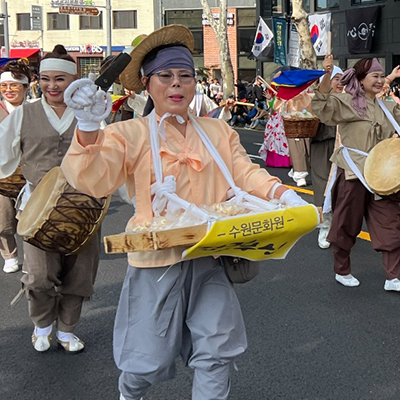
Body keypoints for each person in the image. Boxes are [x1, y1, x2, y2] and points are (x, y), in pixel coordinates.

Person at [60, 26, 308, 398]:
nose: (176, 85)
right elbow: (92, 178)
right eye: (165, 76)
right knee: (147, 360)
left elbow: (245, 172)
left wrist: (282, 194)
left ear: (195, 83)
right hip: (156, 261)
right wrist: (88, 127)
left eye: (185, 76)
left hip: (210, 256)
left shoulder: (218, 132)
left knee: (216, 351)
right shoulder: (129, 133)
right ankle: (130, 392)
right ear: (147, 84)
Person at [0, 46, 101, 353]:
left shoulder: (89, 114)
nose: (52, 86)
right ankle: (42, 325)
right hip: (37, 208)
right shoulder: (24, 114)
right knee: (39, 274)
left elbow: (109, 157)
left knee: (80, 272)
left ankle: (68, 329)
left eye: (60, 79)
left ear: (74, 80)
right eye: (45, 79)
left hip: (83, 205)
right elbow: (3, 153)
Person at [313, 55, 400, 290]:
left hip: (383, 176)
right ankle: (342, 270)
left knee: (390, 222)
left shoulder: (387, 105)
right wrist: (326, 74)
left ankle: (393, 278)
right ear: (361, 79)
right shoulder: (346, 102)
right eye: (375, 76)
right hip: (354, 172)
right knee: (345, 224)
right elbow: (321, 106)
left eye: (382, 76)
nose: (380, 80)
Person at [0, 60, 33, 273]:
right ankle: (9, 255)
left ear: (26, 87)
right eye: (4, 86)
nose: (9, 90)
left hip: (30, 173)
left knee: (30, 219)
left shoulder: (35, 110)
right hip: (1, 174)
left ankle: (33, 258)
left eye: (15, 85)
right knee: (2, 221)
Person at [313, 63, 344, 249]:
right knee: (323, 186)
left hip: (343, 148)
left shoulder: (348, 99)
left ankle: (339, 227)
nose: (340, 83)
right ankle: (324, 227)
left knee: (342, 188)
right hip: (323, 145)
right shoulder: (317, 99)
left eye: (342, 79)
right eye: (336, 79)